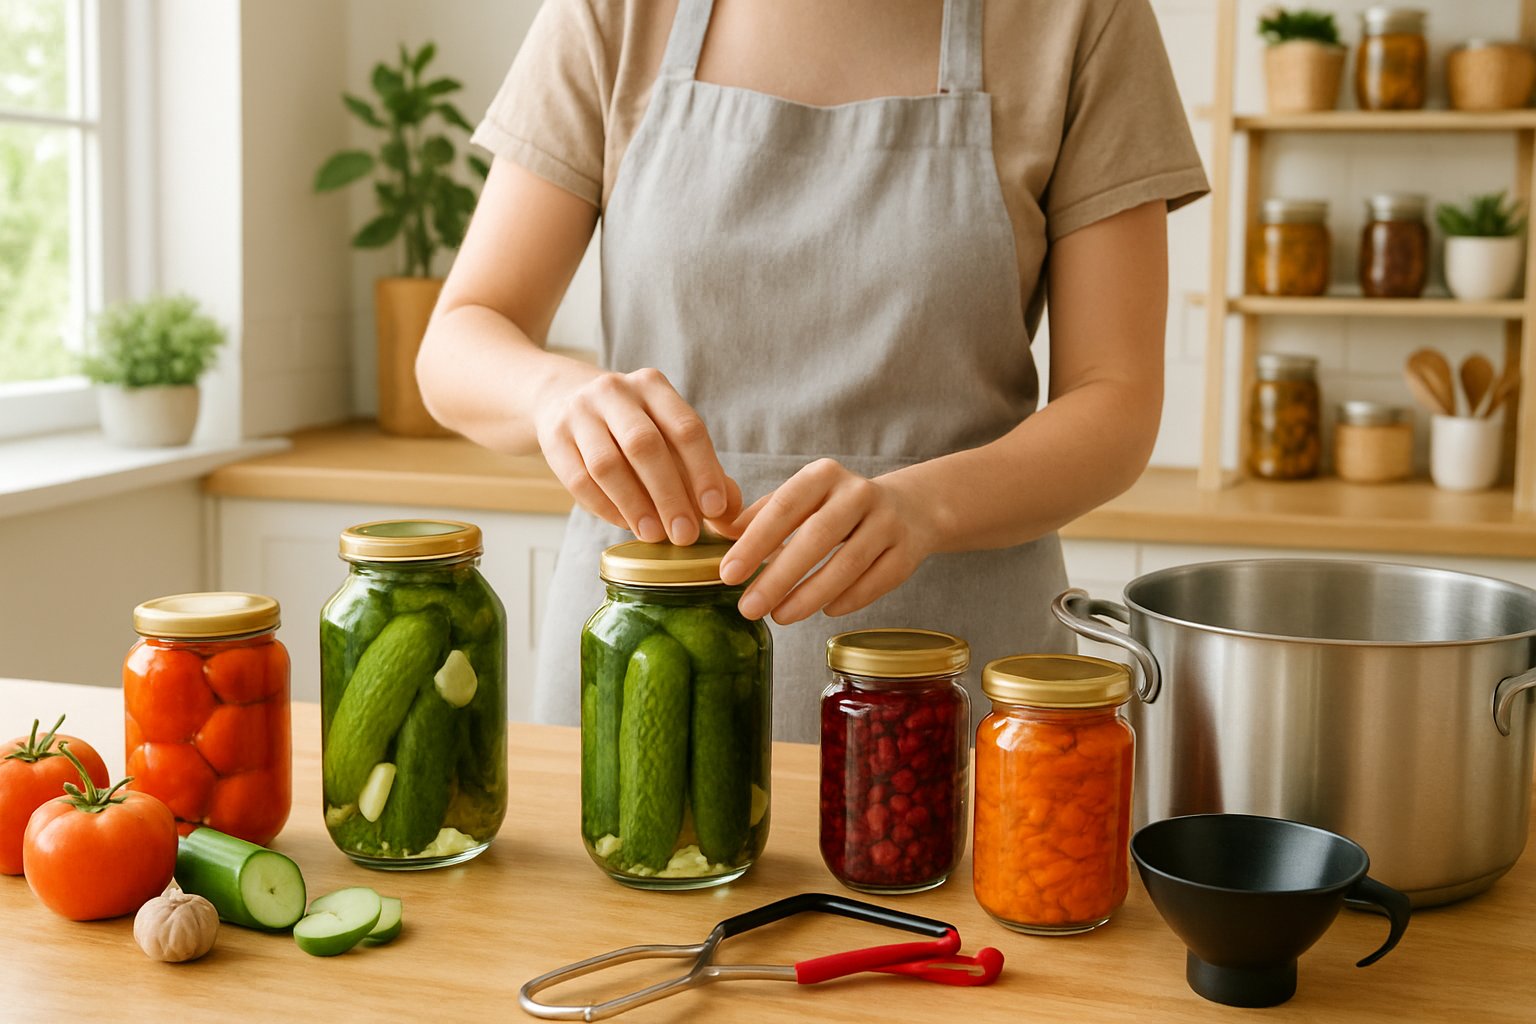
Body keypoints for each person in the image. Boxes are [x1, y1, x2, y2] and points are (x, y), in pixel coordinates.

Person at [417, 0, 1208, 741]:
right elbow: (459, 340)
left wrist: (924, 506)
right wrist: (555, 395)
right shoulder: (615, 12)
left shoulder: (1080, 18)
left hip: (951, 692)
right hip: (638, 677)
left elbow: (1118, 401)